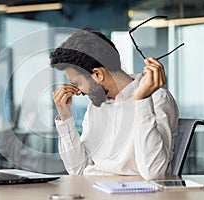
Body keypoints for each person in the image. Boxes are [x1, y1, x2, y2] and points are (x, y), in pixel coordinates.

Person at [50, 27, 179, 180]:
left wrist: (142, 100)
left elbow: (154, 173)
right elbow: (77, 170)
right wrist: (65, 117)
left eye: (77, 83)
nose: (77, 92)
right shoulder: (96, 105)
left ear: (98, 74)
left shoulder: (157, 99)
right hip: (91, 190)